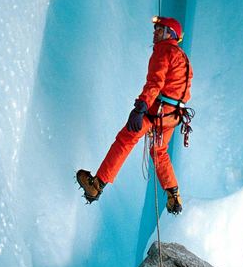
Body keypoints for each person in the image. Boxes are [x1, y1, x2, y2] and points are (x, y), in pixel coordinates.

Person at [76, 16, 193, 214]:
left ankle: (97, 185)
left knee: (126, 140)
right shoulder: (183, 57)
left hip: (156, 111)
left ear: (169, 33)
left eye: (159, 28)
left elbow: (155, 83)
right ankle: (174, 195)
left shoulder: (164, 51)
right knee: (160, 152)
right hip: (173, 116)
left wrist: (140, 108)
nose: (155, 32)